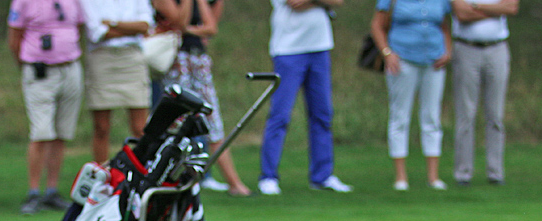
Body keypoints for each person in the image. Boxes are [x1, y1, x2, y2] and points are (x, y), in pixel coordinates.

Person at [258, 0, 351, 196]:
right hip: (288, 49)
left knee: (322, 115)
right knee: (280, 115)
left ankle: (322, 176)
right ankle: (268, 176)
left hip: (320, 47)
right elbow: (295, 3)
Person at [162, 0, 251, 196]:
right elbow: (180, 24)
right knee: (175, 124)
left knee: (211, 119)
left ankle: (234, 183)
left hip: (198, 60)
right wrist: (193, 27)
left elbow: (211, 27)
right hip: (177, 62)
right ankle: (171, 178)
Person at [7, 0, 84, 214]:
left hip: (70, 67)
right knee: (41, 133)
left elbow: (78, 26)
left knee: (61, 132)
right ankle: (34, 192)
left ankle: (52, 190)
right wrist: (27, 64)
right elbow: (15, 37)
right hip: (40, 71)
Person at [370, 0, 453, 191]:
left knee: (431, 116)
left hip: (433, 61)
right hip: (402, 60)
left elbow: (444, 25)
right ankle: (401, 177)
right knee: (400, 116)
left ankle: (433, 177)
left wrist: (447, 51)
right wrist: (387, 53)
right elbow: (377, 24)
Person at [450, 0, 517, 186]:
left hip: (497, 48)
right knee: (466, 114)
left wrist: (476, 7)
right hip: (466, 48)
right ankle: (463, 173)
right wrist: (495, 10)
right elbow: (461, 14)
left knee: (495, 114)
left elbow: (511, 7)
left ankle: (495, 172)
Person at [78, 0, 154, 164]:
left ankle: (141, 173)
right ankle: (103, 177)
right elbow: (96, 32)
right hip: (101, 58)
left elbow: (145, 26)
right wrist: (131, 29)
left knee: (140, 127)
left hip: (132, 57)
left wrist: (113, 24)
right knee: (101, 127)